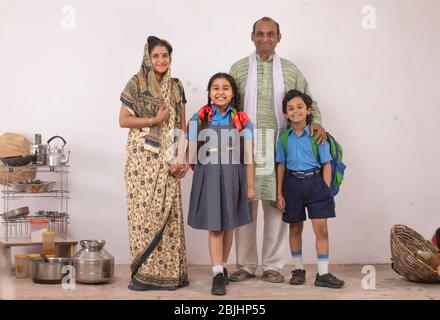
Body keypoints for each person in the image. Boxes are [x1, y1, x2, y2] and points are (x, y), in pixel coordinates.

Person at [229, 16, 327, 283]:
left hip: (278, 146)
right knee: (245, 206)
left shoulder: (290, 70)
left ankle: (273, 265)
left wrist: (316, 121)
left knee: (276, 205)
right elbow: (227, 105)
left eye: (270, 34)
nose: (265, 39)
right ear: (252, 37)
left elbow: (308, 100)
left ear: (278, 37)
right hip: (246, 146)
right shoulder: (238, 69)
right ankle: (246, 265)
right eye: (260, 34)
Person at [119, 36, 189, 291]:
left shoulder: (176, 86)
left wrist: (183, 157)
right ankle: (142, 274)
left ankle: (168, 275)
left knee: (168, 214)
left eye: (165, 56)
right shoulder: (136, 83)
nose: (160, 60)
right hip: (141, 160)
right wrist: (154, 119)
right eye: (155, 56)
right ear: (147, 58)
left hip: (169, 156)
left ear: (170, 58)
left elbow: (182, 124)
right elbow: (123, 120)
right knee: (142, 213)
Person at [187, 73, 254, 295]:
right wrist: (182, 163)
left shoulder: (242, 120)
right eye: (215, 87)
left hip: (233, 174)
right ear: (209, 93)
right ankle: (216, 273)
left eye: (226, 88)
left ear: (233, 93)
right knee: (215, 225)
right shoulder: (200, 118)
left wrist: (250, 185)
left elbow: (250, 156)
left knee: (228, 225)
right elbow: (189, 150)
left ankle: (222, 266)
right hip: (209, 173)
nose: (220, 92)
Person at [276, 90, 344, 288]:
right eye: (290, 108)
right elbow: (281, 165)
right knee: (295, 227)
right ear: (286, 114)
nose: (295, 111)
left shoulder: (316, 134)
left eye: (300, 107)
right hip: (292, 185)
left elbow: (327, 163)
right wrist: (280, 193)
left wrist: (324, 187)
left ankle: (322, 274)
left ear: (308, 111)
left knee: (321, 229)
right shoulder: (284, 138)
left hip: (315, 183)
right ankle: (298, 270)